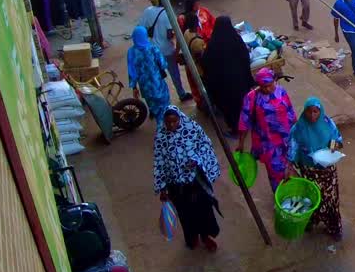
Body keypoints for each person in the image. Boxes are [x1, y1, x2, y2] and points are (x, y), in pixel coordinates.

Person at [153, 106, 222, 252]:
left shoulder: (192, 129)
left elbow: (206, 146)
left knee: (203, 210)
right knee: (185, 214)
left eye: (174, 121)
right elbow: (159, 162)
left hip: (195, 181)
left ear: (180, 119)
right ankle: (192, 238)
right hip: (176, 186)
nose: (171, 125)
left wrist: (196, 159)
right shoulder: (161, 137)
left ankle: (205, 236)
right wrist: (162, 188)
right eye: (168, 122)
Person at [287, 96, 344, 240]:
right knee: (311, 197)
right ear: (304, 112)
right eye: (309, 112)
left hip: (327, 170)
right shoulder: (298, 128)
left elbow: (337, 140)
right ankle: (312, 220)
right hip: (308, 169)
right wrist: (289, 167)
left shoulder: (328, 124)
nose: (312, 115)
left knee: (330, 199)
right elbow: (293, 148)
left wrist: (331, 148)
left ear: (320, 111)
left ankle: (334, 228)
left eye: (316, 112)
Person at [238, 68, 297, 193]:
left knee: (291, 166)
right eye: (263, 87)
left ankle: (292, 191)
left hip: (287, 138)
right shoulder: (252, 97)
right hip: (268, 143)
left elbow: (290, 111)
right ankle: (280, 196)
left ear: (274, 81)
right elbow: (244, 121)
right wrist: (241, 143)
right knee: (275, 172)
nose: (267, 89)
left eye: (269, 85)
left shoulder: (281, 91)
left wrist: (296, 131)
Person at [201, 16, 255, 134]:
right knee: (241, 103)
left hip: (222, 84)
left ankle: (234, 128)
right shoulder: (236, 39)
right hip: (239, 81)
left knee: (228, 106)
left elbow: (206, 62)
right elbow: (245, 57)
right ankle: (245, 124)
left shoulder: (213, 43)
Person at [139, 0, 192, 102]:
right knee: (174, 73)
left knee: (155, 76)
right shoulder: (167, 14)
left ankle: (158, 99)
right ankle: (181, 94)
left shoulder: (147, 11)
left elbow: (142, 29)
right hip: (167, 50)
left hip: (152, 50)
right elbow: (169, 35)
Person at [127, 26, 172, 127]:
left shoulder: (131, 52)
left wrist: (134, 87)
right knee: (165, 107)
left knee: (155, 109)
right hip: (158, 84)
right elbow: (163, 64)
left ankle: (160, 125)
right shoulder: (153, 48)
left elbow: (132, 72)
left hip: (145, 87)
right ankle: (165, 127)